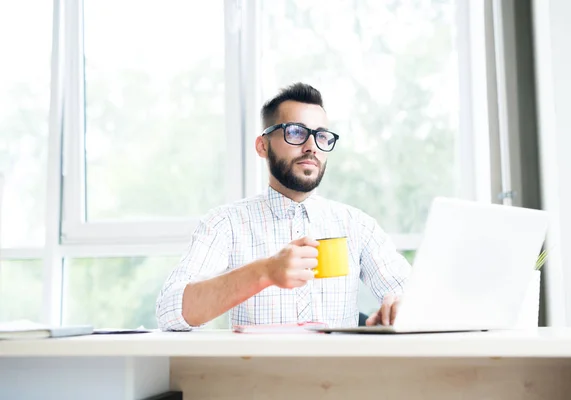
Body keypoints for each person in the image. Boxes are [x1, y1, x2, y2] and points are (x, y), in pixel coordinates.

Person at [156, 82, 412, 331]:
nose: (311, 146)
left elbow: (413, 297)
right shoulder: (225, 224)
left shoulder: (357, 226)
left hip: (337, 374)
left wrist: (401, 308)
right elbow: (170, 311)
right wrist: (265, 272)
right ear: (262, 146)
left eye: (321, 136)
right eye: (296, 132)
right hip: (254, 373)